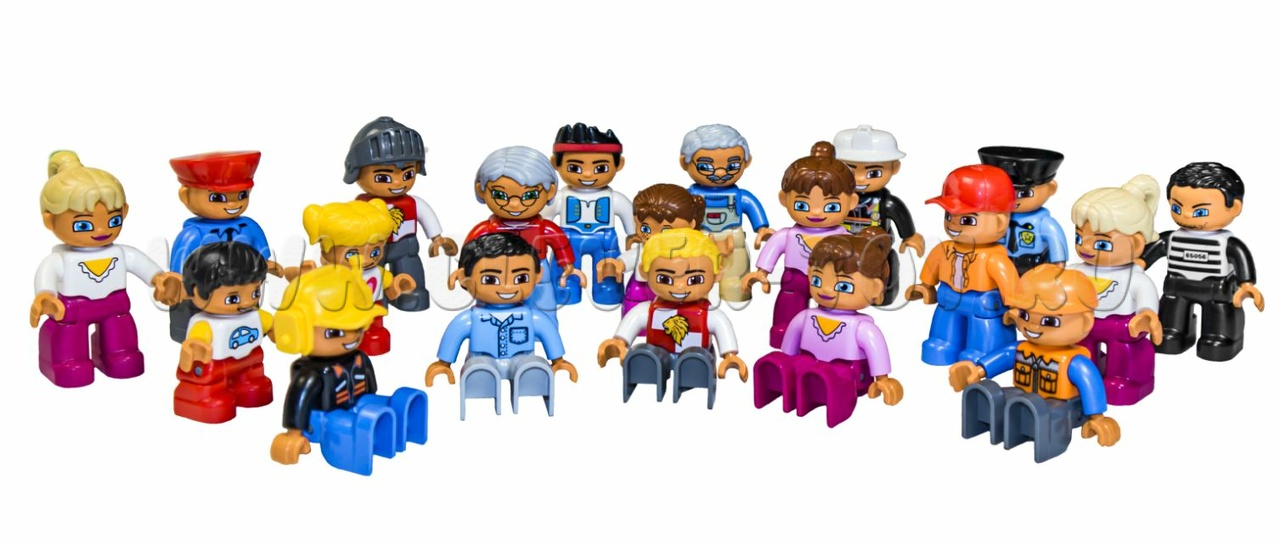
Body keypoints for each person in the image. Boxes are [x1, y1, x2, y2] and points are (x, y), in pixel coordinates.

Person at [32, 151, 183, 387]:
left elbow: (142, 266)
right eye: (83, 224)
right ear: (50, 221)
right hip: (73, 310)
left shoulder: (121, 253)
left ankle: (119, 356)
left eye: (113, 220)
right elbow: (46, 277)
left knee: (120, 334)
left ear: (124, 212)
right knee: (68, 336)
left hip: (115, 306)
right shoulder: (60, 259)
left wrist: (159, 278)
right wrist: (46, 296)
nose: (101, 230)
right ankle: (67, 363)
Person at [754, 233, 903, 428]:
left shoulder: (862, 328)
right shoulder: (805, 316)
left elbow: (876, 350)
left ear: (875, 289)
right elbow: (789, 346)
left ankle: (827, 395)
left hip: (848, 372)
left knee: (830, 376)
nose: (826, 290)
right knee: (789, 366)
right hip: (807, 361)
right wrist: (786, 360)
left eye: (843, 285)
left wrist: (882, 379)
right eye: (817, 280)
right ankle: (782, 382)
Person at [426, 233, 578, 419]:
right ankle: (479, 387)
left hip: (523, 358)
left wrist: (558, 361)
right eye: (490, 279)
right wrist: (444, 363)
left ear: (537, 276)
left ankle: (532, 383)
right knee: (478, 370)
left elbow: (549, 333)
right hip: (482, 358)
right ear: (463, 278)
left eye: (521, 278)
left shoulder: (531, 316)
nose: (507, 287)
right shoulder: (471, 318)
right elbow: (454, 334)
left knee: (533, 368)